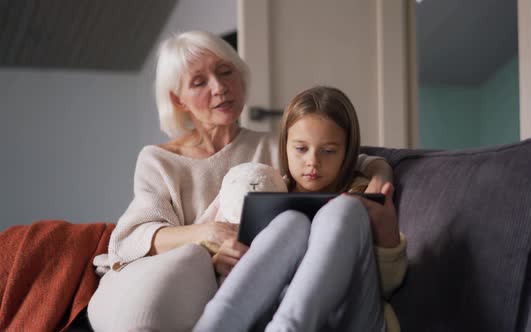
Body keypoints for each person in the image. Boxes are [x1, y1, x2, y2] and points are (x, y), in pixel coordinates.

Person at [87, 31, 395, 331]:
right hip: (201, 279)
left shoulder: (274, 145)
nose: (220, 87)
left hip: (269, 275)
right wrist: (208, 233)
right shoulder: (159, 159)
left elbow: (340, 156)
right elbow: (135, 236)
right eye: (199, 82)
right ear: (178, 100)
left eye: (226, 72)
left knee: (293, 224)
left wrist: (381, 171)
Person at [194, 86, 407, 332]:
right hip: (270, 312)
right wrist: (221, 261)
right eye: (301, 149)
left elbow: (389, 284)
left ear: (348, 152)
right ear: (285, 146)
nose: (313, 162)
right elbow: (224, 254)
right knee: (290, 221)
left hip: (352, 318)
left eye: (328, 151)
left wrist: (387, 234)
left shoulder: (365, 195)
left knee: (344, 209)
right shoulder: (269, 192)